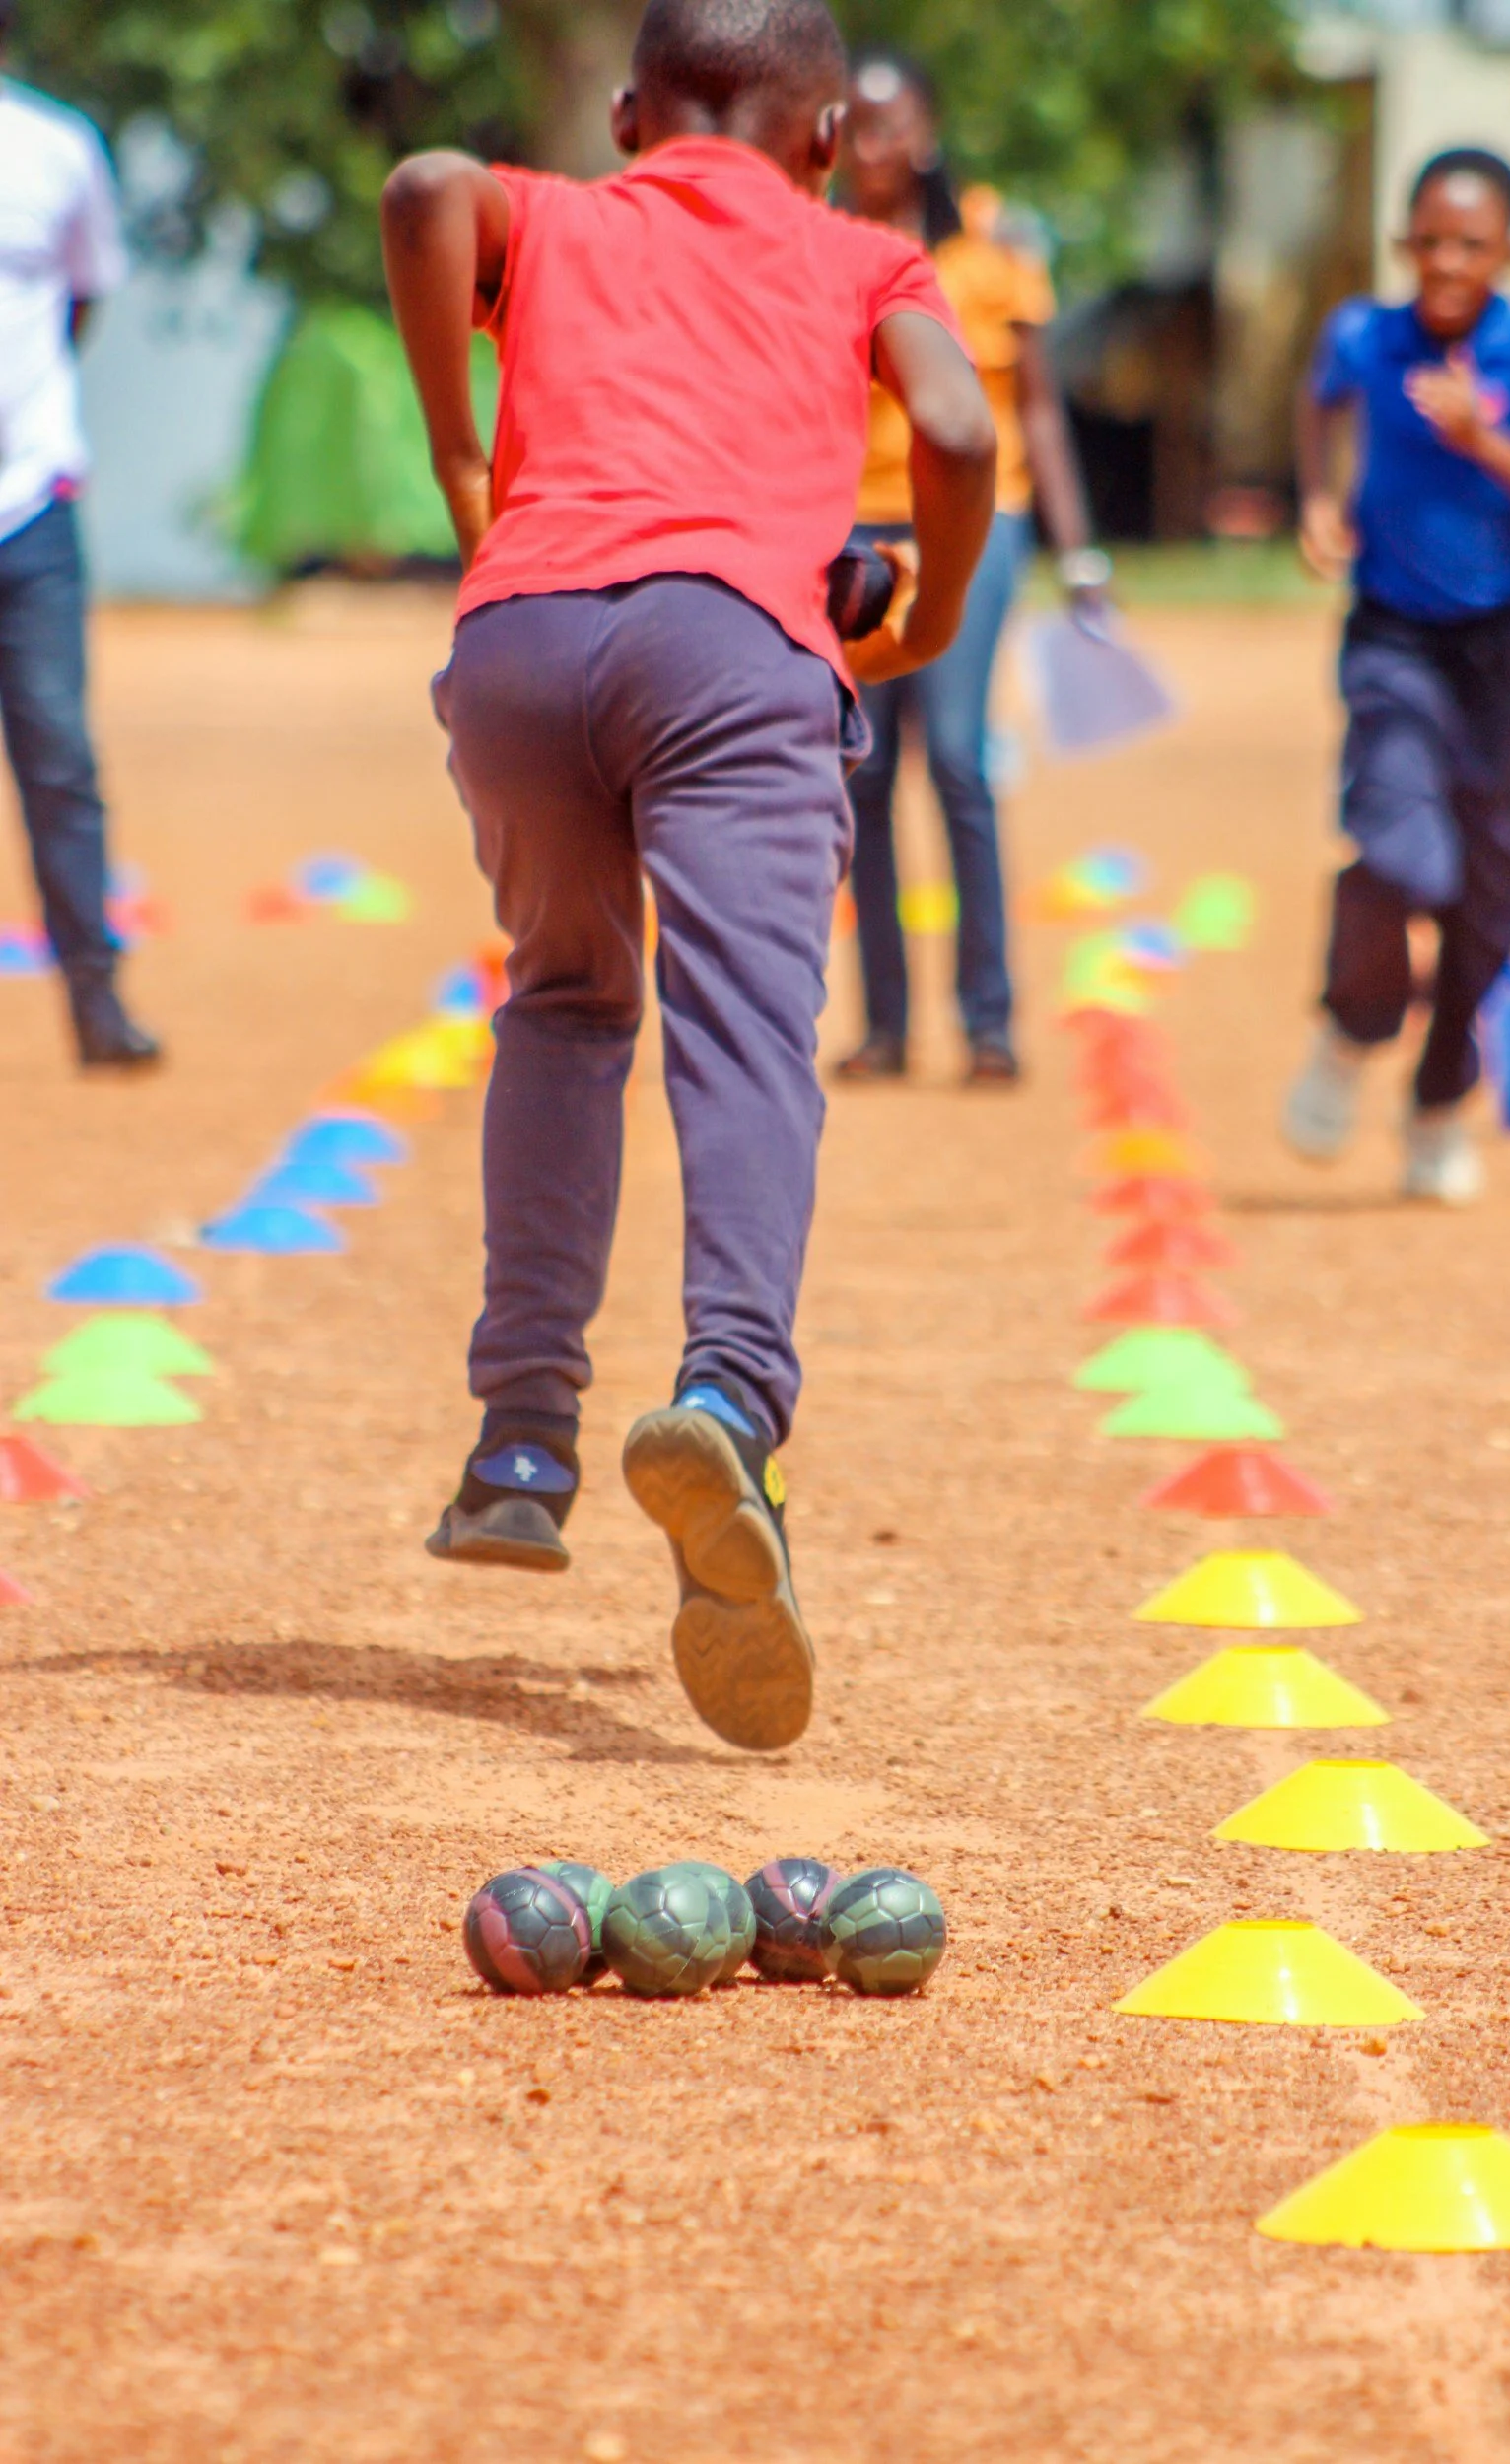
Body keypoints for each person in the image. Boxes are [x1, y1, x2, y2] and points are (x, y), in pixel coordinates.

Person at [381, 0, 995, 1752]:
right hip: (731, 652)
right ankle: (727, 1392)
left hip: (520, 642)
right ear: (822, 134)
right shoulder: (864, 253)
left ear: (635, 111)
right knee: (745, 1039)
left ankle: (516, 1444)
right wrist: (923, 623)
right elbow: (951, 440)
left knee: (566, 1004)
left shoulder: (563, 216)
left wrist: (454, 448)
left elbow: (426, 185)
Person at [1283, 146, 1510, 1202]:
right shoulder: (1363, 337)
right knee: (1398, 851)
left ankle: (1436, 1101)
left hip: (1492, 647)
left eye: (1469, 243)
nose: (1445, 261)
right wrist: (1320, 501)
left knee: (1488, 892)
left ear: (1507, 250)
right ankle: (1350, 1022)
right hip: (1390, 636)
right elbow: (1318, 403)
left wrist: (1479, 440)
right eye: (1427, 240)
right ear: (1399, 242)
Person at [832, 54, 1106, 1086]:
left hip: (977, 518)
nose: (872, 148)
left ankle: (986, 1021)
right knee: (859, 770)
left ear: (926, 131)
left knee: (953, 752)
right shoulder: (817, 247)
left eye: (891, 126)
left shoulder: (990, 249)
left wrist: (1079, 550)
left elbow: (1035, 405)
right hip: (851, 524)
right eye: (854, 127)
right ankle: (886, 1027)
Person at [0, 10, 161, 1068]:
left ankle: (97, 1002)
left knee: (58, 755)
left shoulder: (58, 147)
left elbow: (82, 296)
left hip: (29, 498)